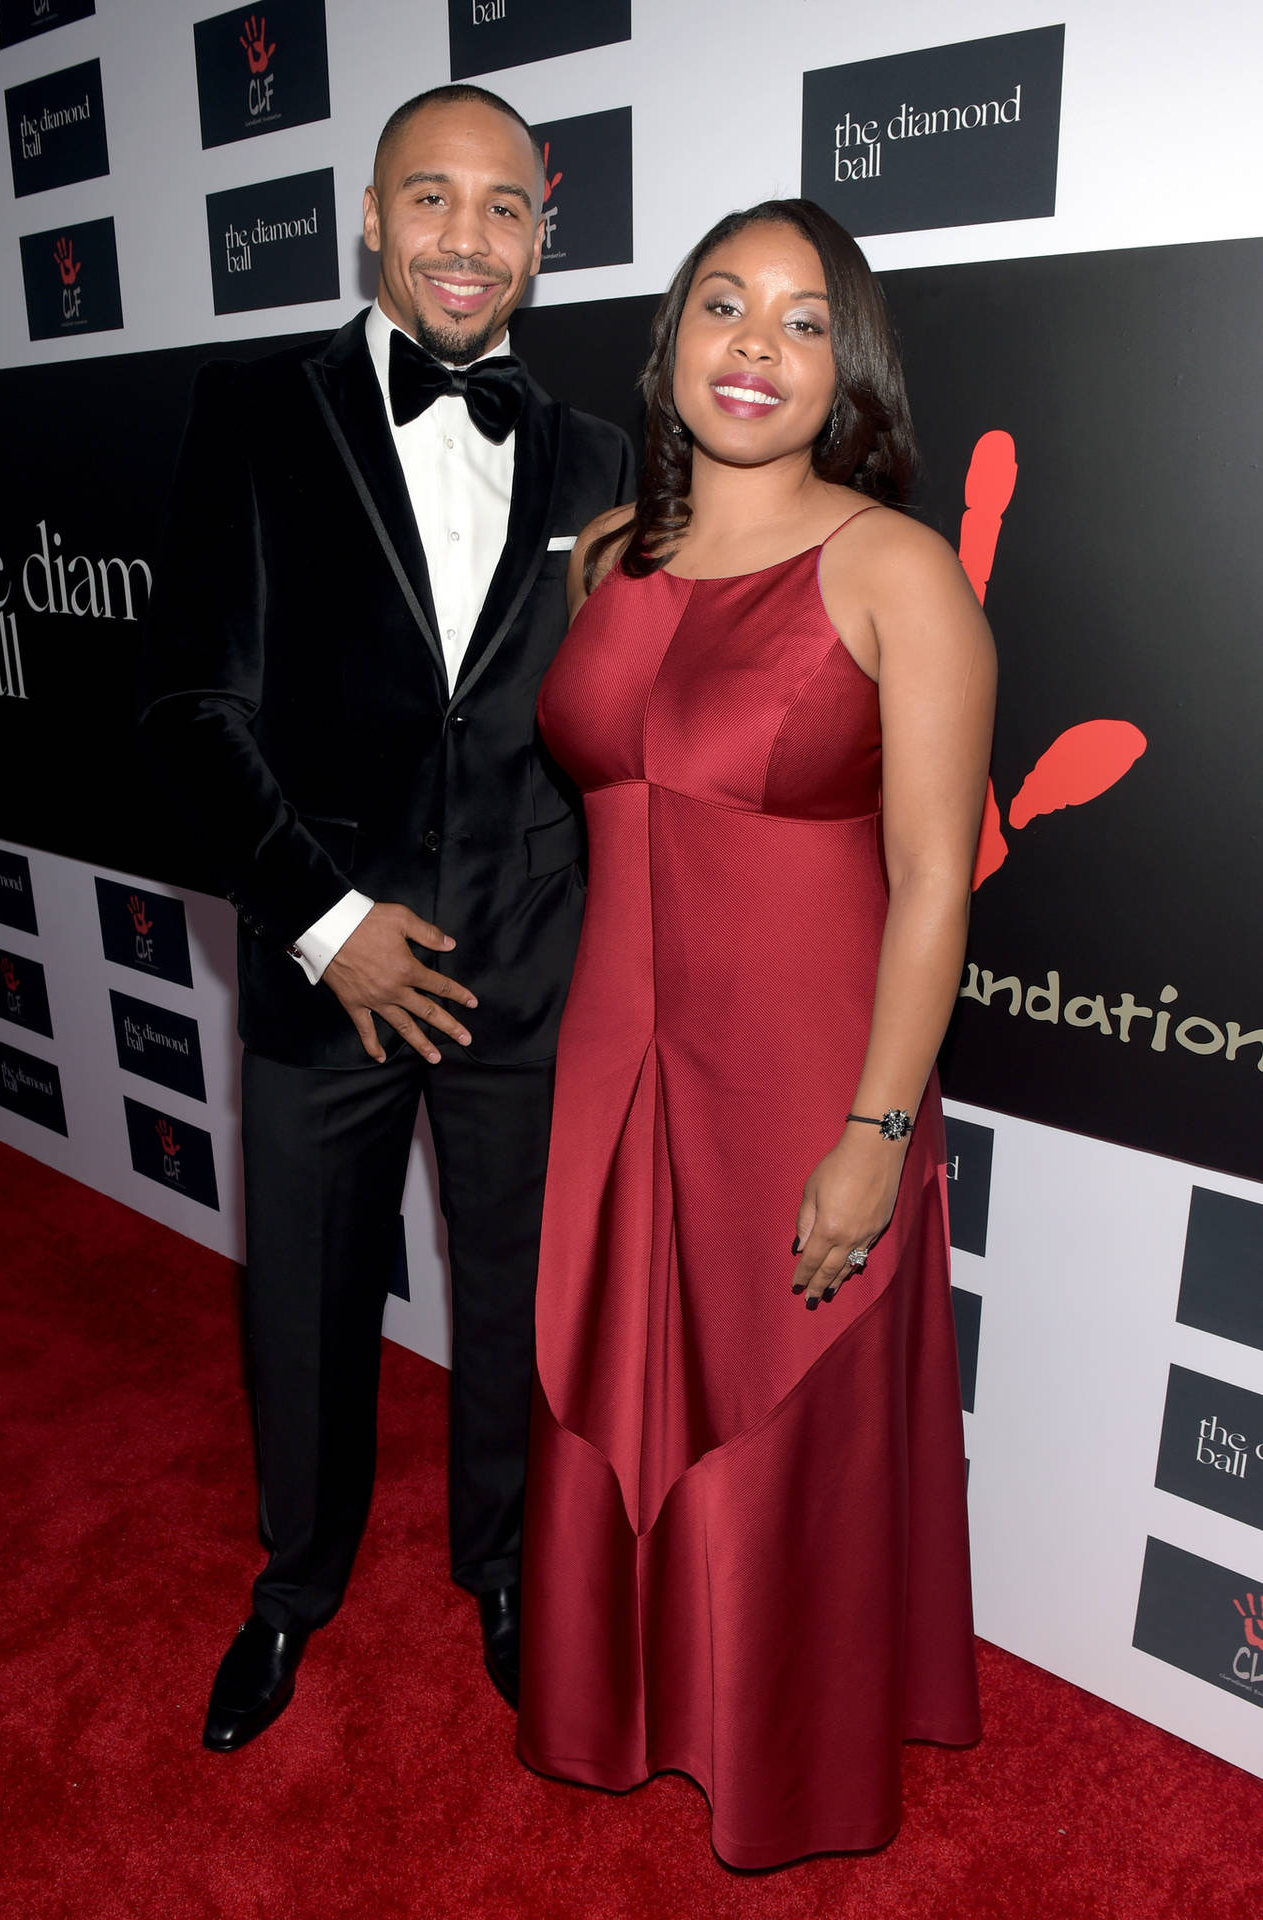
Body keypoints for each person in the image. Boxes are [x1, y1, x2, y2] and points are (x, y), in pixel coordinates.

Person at [139, 84, 632, 1751]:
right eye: (432, 200)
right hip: (323, 962)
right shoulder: (254, 410)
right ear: (369, 214)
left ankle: (503, 1571)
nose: (466, 241)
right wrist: (328, 920)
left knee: (516, 1301)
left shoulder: (601, 460)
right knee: (304, 1297)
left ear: (544, 228)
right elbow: (194, 710)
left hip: (525, 970)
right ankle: (293, 1589)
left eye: (503, 208)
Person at [517, 199, 992, 1867]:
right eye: (724, 306)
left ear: (842, 371)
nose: (755, 345)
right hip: (613, 1062)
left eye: (801, 322)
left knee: (776, 1404)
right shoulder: (602, 559)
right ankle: (632, 1701)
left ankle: (779, 1744)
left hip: (803, 1071)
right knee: (607, 1371)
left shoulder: (891, 567)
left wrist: (875, 1134)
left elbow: (934, 876)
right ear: (669, 348)